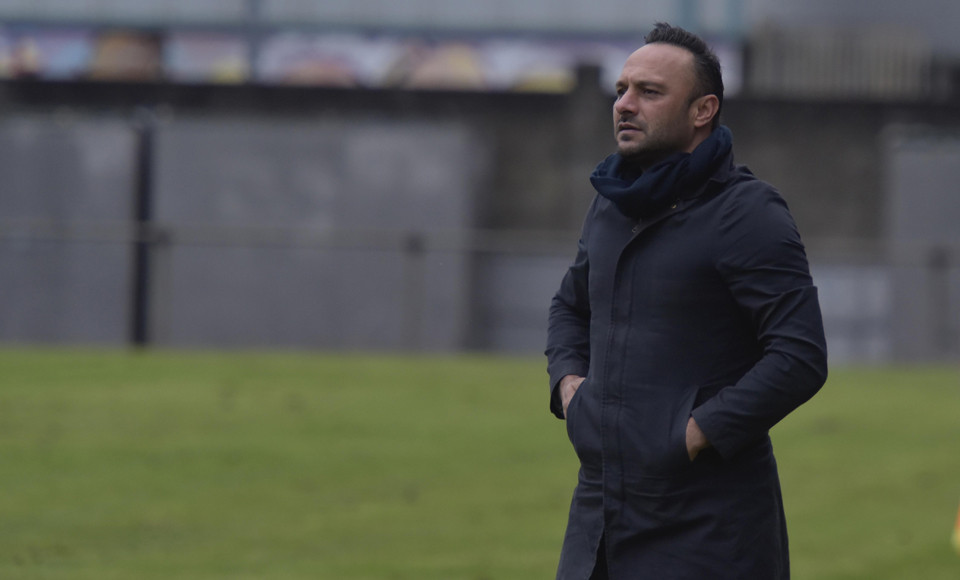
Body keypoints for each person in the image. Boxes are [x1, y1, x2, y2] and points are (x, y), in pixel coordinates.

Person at [545, 22, 828, 579]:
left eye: (649, 92)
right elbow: (569, 307)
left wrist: (693, 435)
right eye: (622, 89)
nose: (625, 104)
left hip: (710, 530)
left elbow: (799, 357)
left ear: (703, 110)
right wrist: (571, 389)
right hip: (597, 520)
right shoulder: (611, 203)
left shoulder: (749, 213)